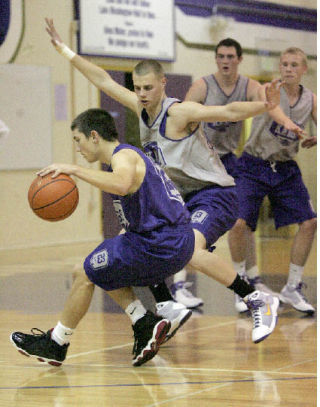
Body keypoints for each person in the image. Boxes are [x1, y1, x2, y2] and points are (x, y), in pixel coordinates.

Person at [25, 18, 281, 347]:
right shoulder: (139, 107)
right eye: (138, 88)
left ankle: (257, 300)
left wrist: (264, 105)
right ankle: (164, 303)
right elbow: (102, 79)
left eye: (149, 87)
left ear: (163, 83)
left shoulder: (179, 112)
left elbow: (229, 110)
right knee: (131, 236)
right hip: (178, 197)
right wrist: (65, 50)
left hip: (214, 194)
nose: (143, 94)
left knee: (189, 249)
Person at [11, 108, 195, 367]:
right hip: (170, 241)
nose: (78, 147)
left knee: (86, 270)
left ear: (94, 136)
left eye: (78, 140)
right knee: (102, 265)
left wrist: (74, 170)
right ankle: (144, 323)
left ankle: (57, 343)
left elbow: (120, 184)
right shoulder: (124, 159)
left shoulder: (124, 157)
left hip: (164, 242)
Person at [184, 38, 305, 313]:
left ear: (239, 60)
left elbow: (268, 105)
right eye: (221, 56)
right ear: (216, 59)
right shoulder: (202, 86)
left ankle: (252, 279)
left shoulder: (249, 86)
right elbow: (182, 115)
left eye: (230, 56)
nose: (225, 60)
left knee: (242, 222)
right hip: (198, 162)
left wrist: (289, 124)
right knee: (186, 219)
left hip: (227, 160)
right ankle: (180, 285)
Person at [228, 47, 317, 315]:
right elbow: (274, 109)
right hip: (254, 164)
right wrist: (290, 124)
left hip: (285, 168)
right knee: (239, 223)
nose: (288, 69)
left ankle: (292, 285)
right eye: (284, 64)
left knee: (310, 222)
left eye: (294, 65)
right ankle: (241, 284)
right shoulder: (267, 89)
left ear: (303, 70)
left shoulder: (311, 99)